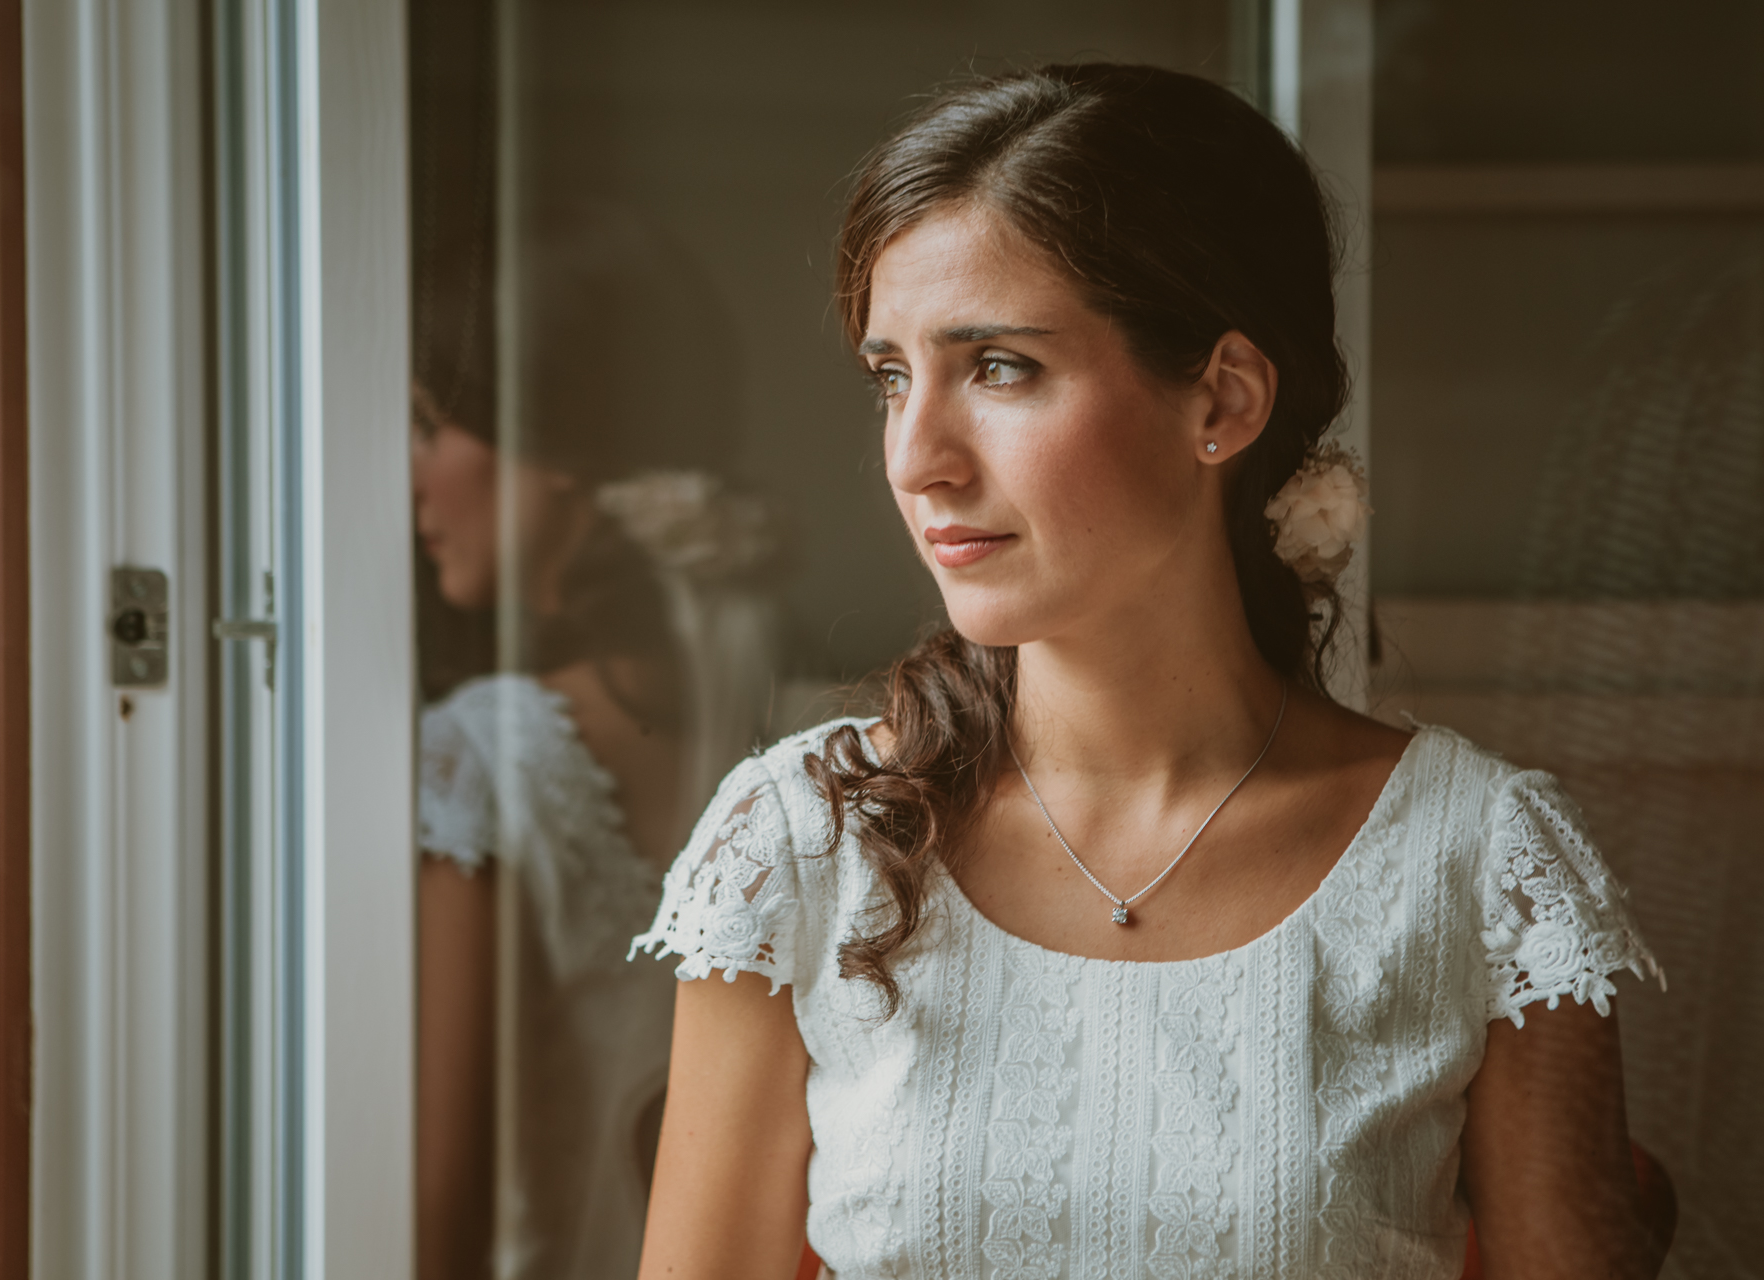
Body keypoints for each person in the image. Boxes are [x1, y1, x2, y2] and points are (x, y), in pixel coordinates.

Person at [630, 65, 1665, 1280]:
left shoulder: (1484, 864)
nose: (917, 458)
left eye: (1001, 366)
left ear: (1222, 397)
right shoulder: (801, 842)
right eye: (893, 376)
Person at [413, 204, 775, 1280]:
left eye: (432, 425)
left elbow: (440, 1194)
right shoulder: (785, 717)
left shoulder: (478, 754)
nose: (412, 476)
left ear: (553, 443)